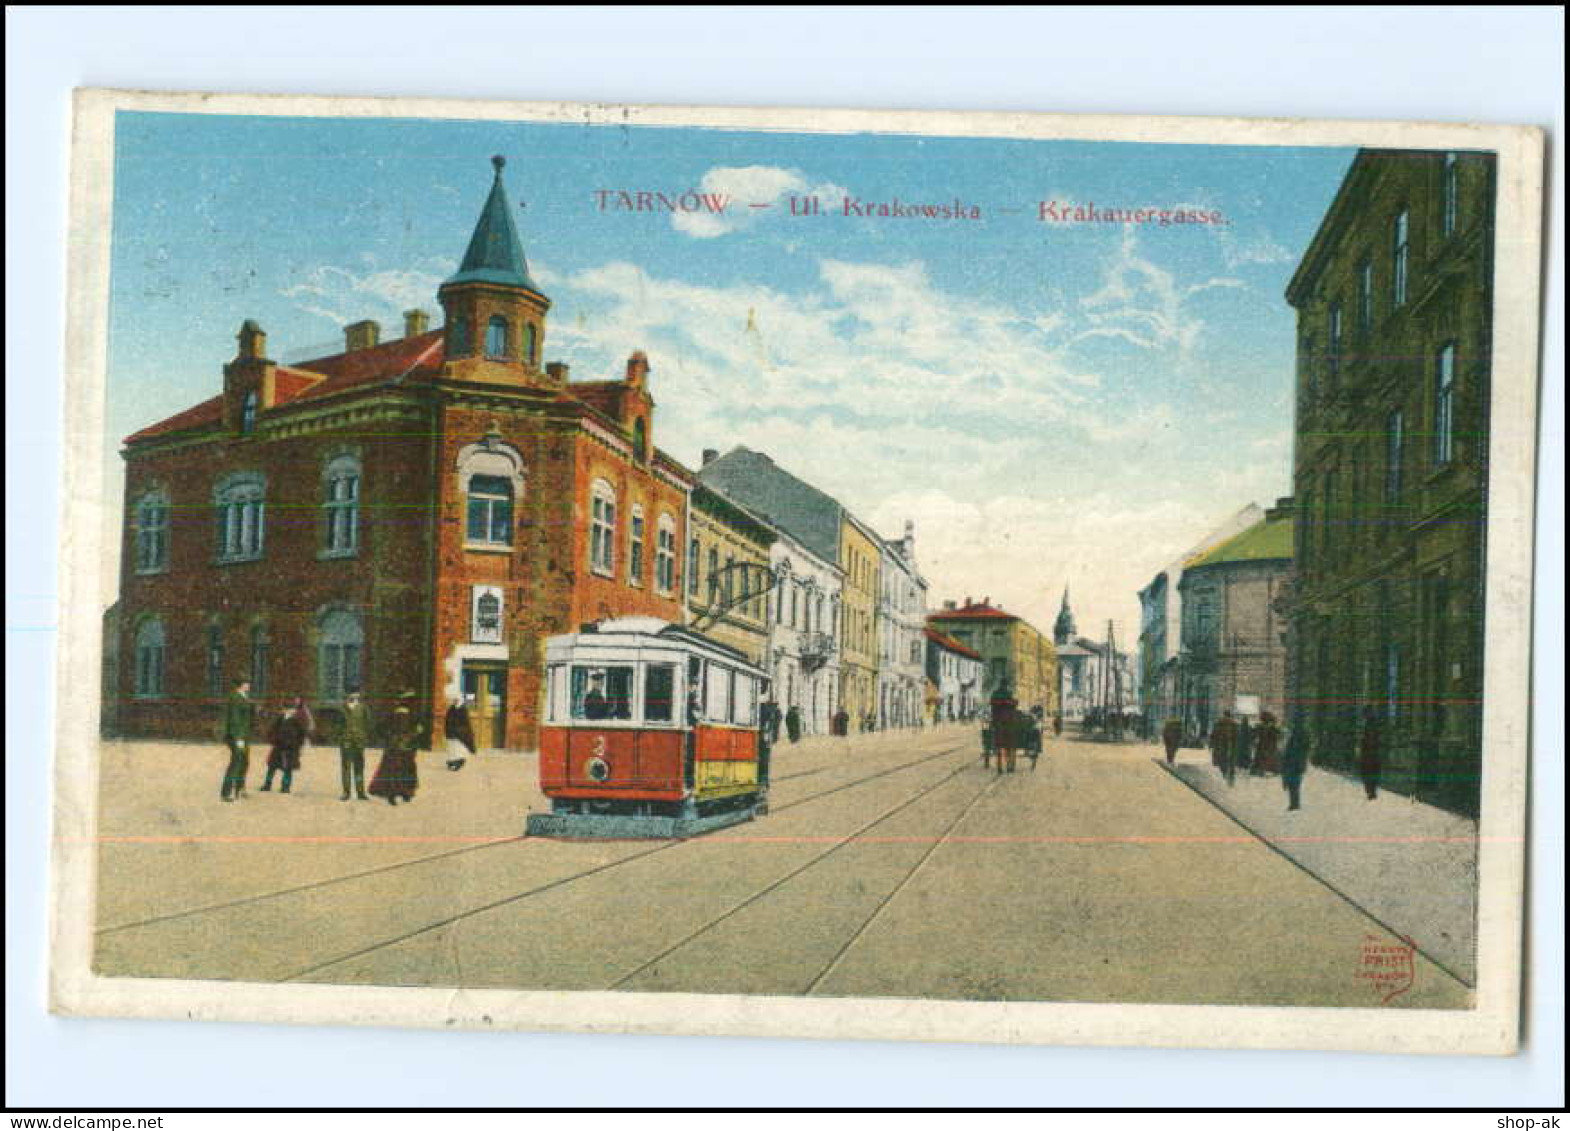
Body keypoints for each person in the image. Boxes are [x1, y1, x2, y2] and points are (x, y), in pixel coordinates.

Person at [369, 690, 425, 805]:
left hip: (399, 746)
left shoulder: (403, 714)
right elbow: (417, 729)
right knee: (402, 769)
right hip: (401, 747)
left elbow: (380, 728)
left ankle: (400, 794)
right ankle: (401, 794)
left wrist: (390, 738)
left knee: (396, 770)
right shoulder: (406, 715)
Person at [220, 677, 256, 802]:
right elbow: (235, 719)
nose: (249, 685)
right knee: (236, 762)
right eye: (247, 683)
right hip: (237, 736)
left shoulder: (244, 697)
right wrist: (239, 738)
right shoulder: (235, 697)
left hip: (244, 735)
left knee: (244, 761)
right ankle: (227, 792)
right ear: (241, 685)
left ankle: (239, 789)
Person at [261, 699, 308, 793]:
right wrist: (273, 740)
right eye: (288, 709)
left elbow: (302, 734)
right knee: (272, 767)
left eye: (292, 709)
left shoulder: (297, 721)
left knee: (288, 768)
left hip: (291, 748)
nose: (290, 711)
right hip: (278, 746)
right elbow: (272, 730)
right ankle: (267, 784)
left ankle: (285, 787)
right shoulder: (280, 719)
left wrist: (299, 746)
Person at [338, 689, 371, 801]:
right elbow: (337, 725)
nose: (354, 697)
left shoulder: (363, 708)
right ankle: (346, 792)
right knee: (346, 767)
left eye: (356, 695)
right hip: (346, 741)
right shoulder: (342, 708)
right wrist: (341, 737)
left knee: (359, 767)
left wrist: (364, 736)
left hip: (359, 742)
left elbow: (368, 722)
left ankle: (360, 792)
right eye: (351, 695)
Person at [990, 683, 1019, 775]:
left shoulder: (996, 694)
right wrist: (1007, 702)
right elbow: (1014, 704)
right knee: (1009, 745)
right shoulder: (1008, 694)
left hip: (999, 721)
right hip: (1007, 721)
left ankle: (1002, 765)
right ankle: (1008, 765)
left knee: (1000, 744)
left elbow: (993, 704)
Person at [1281, 714, 1308, 811]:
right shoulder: (1302, 733)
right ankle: (1294, 803)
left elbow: (1294, 749)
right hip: (1297, 763)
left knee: (1293, 784)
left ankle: (1294, 804)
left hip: (1294, 763)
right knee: (1294, 784)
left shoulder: (1297, 734)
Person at [444, 695, 477, 771]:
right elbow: (447, 720)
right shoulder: (451, 708)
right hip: (452, 732)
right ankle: (452, 761)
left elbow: (465, 721)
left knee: (459, 749)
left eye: (456, 700)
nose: (454, 701)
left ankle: (458, 762)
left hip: (460, 733)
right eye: (454, 700)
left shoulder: (462, 709)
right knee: (452, 749)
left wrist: (464, 731)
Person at [1358, 707, 1383, 800]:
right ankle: (1371, 791)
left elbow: (1369, 740)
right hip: (1373, 754)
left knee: (1367, 772)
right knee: (1373, 772)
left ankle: (1371, 791)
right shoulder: (1372, 724)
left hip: (1369, 754)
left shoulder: (1369, 725)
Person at [1210, 710, 1238, 786]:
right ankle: (1231, 777)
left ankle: (1225, 774)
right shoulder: (1234, 724)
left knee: (1221, 761)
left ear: (1224, 715)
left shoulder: (1219, 723)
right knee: (1231, 761)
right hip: (1230, 745)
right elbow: (1236, 736)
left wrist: (1212, 744)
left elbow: (1213, 735)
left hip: (1220, 745)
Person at [1253, 711, 1281, 776]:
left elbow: (1276, 735)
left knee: (1266, 757)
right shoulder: (1268, 726)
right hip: (1267, 745)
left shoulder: (1268, 727)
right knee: (1267, 757)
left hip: (1267, 745)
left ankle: (1262, 770)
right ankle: (1263, 770)